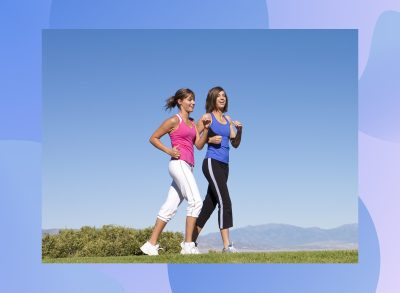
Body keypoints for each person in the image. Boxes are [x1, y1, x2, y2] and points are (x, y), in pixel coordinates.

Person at [140, 88, 211, 256]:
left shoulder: (193, 123)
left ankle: (150, 244)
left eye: (194, 100)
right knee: (196, 202)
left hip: (188, 167)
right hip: (178, 164)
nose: (193, 102)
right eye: (189, 100)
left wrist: (206, 129)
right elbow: (153, 138)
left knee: (169, 207)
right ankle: (188, 245)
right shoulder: (174, 120)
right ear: (180, 102)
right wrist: (169, 151)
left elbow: (198, 146)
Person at [192, 86, 243, 253]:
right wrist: (209, 138)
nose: (222, 98)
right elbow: (197, 143)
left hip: (224, 166)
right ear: (212, 98)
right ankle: (227, 246)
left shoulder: (228, 120)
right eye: (219, 96)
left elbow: (235, 144)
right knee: (225, 201)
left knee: (210, 204)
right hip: (211, 163)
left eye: (224, 96)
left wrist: (240, 130)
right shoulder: (207, 117)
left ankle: (189, 242)